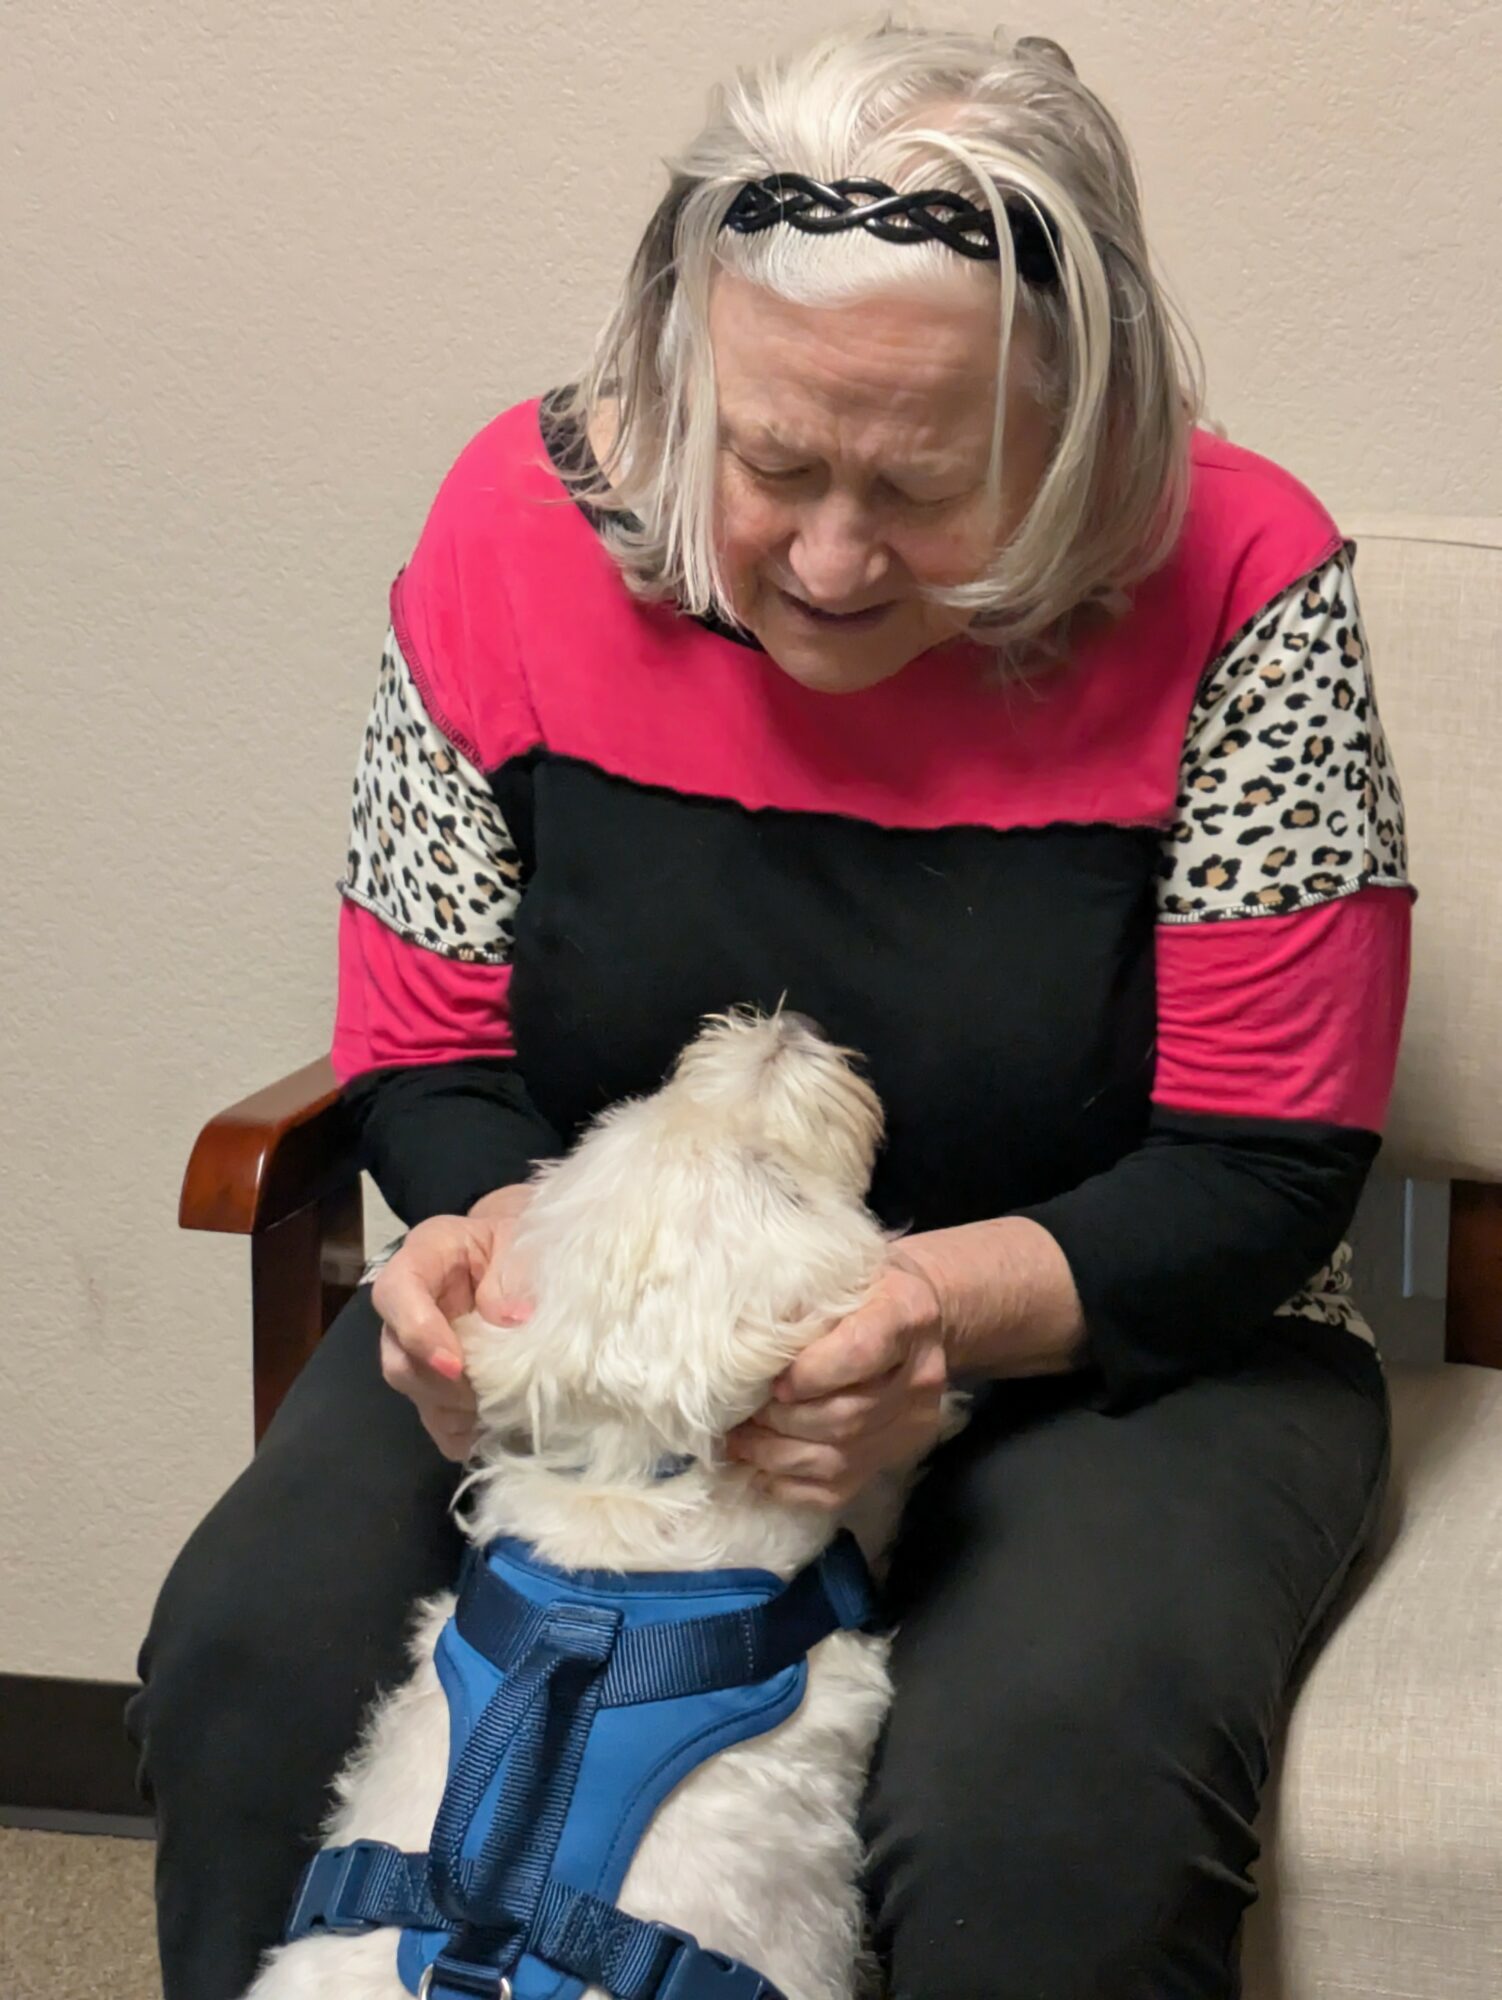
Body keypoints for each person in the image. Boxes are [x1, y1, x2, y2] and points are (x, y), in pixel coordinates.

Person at [126, 21, 1412, 1999]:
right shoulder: (506, 531)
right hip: (619, 1332)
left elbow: (1266, 1168)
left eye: (925, 485)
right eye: (772, 461)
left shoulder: (1244, 574)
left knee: (1042, 1798)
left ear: (1076, 430)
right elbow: (428, 1055)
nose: (827, 556)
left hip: (1131, 1344)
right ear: (678, 376)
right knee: (251, 1660)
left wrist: (932, 1312)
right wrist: (492, 1258)